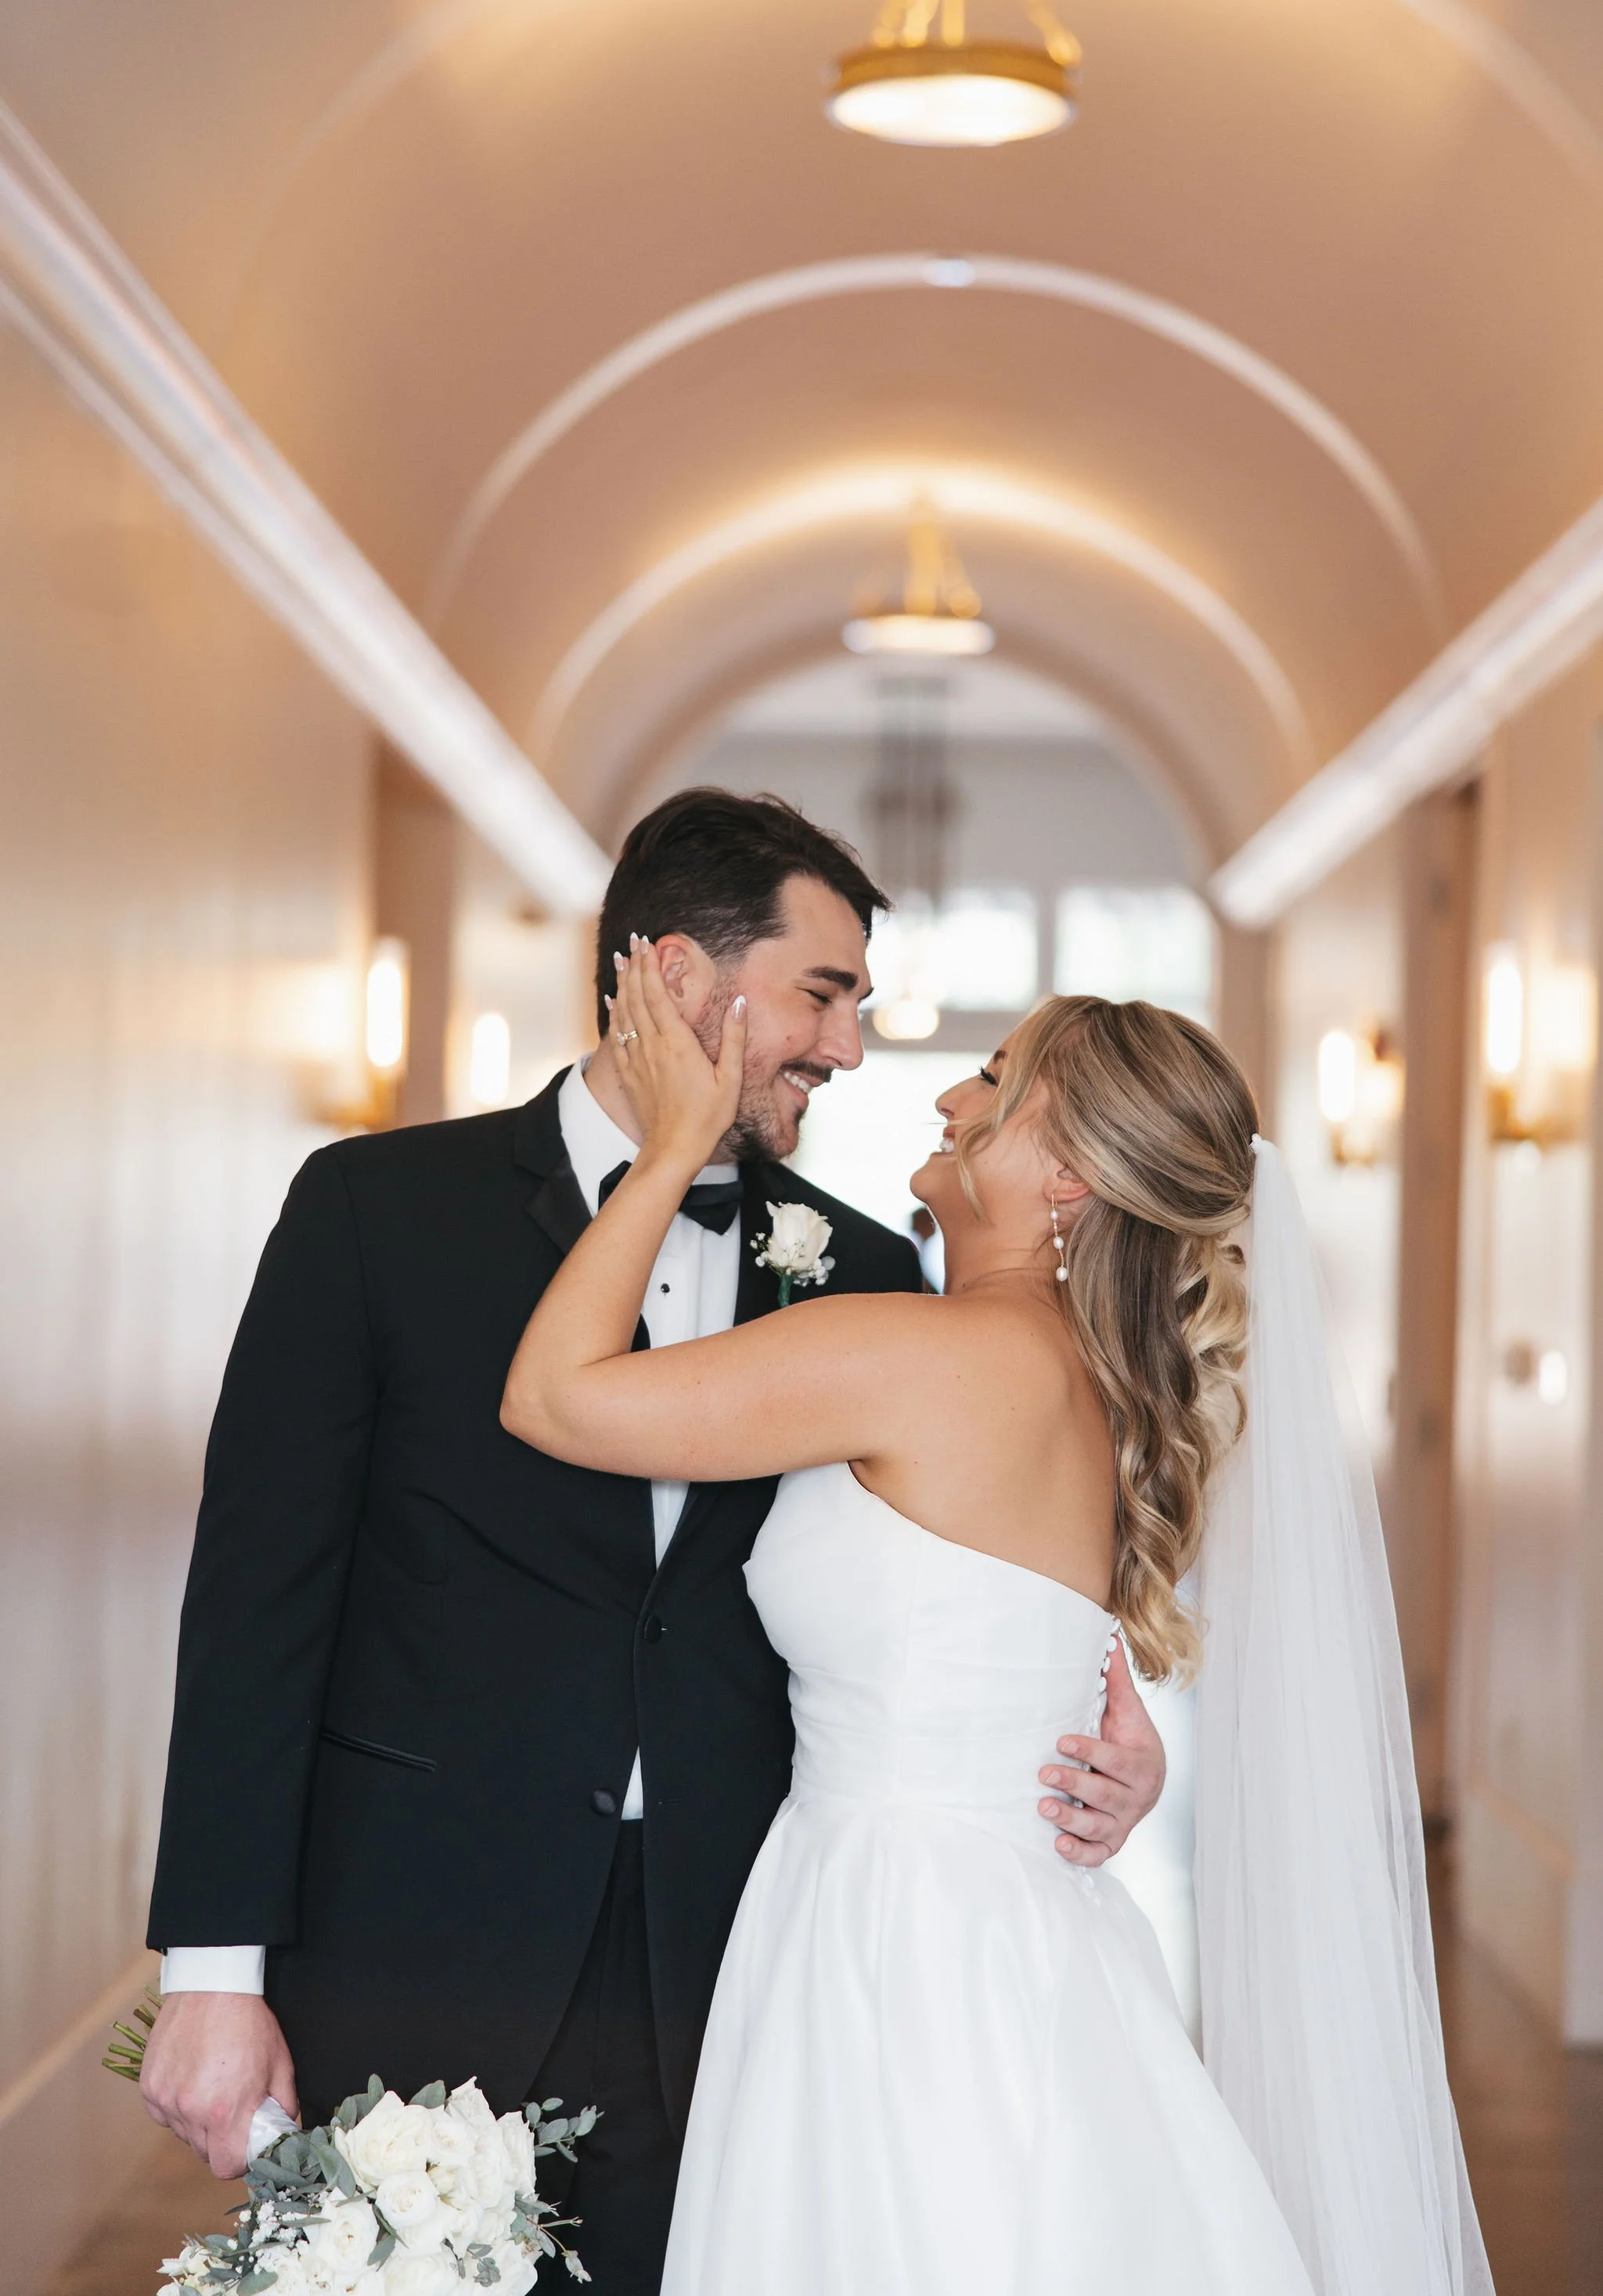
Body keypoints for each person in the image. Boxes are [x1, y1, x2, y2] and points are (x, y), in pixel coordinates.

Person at [139, 790, 1165, 2294]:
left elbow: (977, 1558)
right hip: (417, 1933)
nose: (851, 1049)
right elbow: (255, 1603)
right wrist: (214, 1973)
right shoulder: (374, 1210)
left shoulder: (873, 1276)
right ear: (681, 978)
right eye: (824, 994)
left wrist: (1101, 1735)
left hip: (745, 1961)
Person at [501, 942, 1493, 2296]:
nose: (951, 1102)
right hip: (1011, 1928)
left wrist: (674, 1147)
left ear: (1071, 1176)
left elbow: (554, 1399)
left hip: (895, 1948)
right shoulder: (1082, 1383)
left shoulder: (929, 1357)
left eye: (994, 1081)